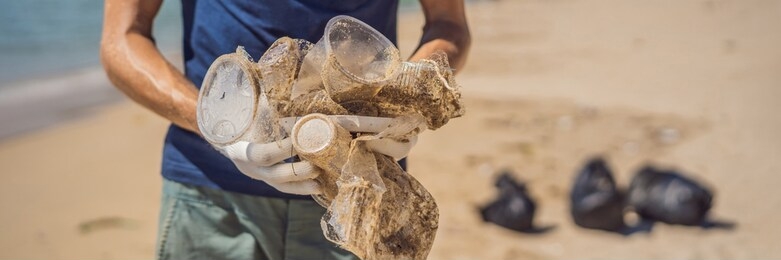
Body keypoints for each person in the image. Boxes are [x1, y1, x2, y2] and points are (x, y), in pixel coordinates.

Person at [100, 0, 470, 259]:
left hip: (362, 187)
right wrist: (215, 127)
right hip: (210, 196)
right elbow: (122, 39)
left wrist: (406, 97)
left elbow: (448, 22)